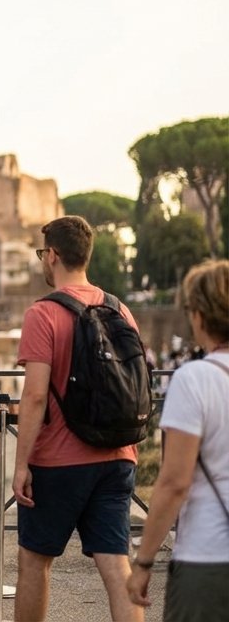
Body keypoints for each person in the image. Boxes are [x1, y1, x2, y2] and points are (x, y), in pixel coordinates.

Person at [12, 215, 143, 622]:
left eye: (42, 254)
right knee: (116, 566)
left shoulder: (44, 313)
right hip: (118, 455)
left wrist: (21, 464)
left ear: (52, 255)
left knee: (35, 562)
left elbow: (35, 395)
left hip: (58, 461)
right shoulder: (119, 309)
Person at [127, 259, 229, 620]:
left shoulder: (195, 379)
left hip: (209, 557)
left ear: (199, 315)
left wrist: (144, 562)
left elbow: (174, 483)